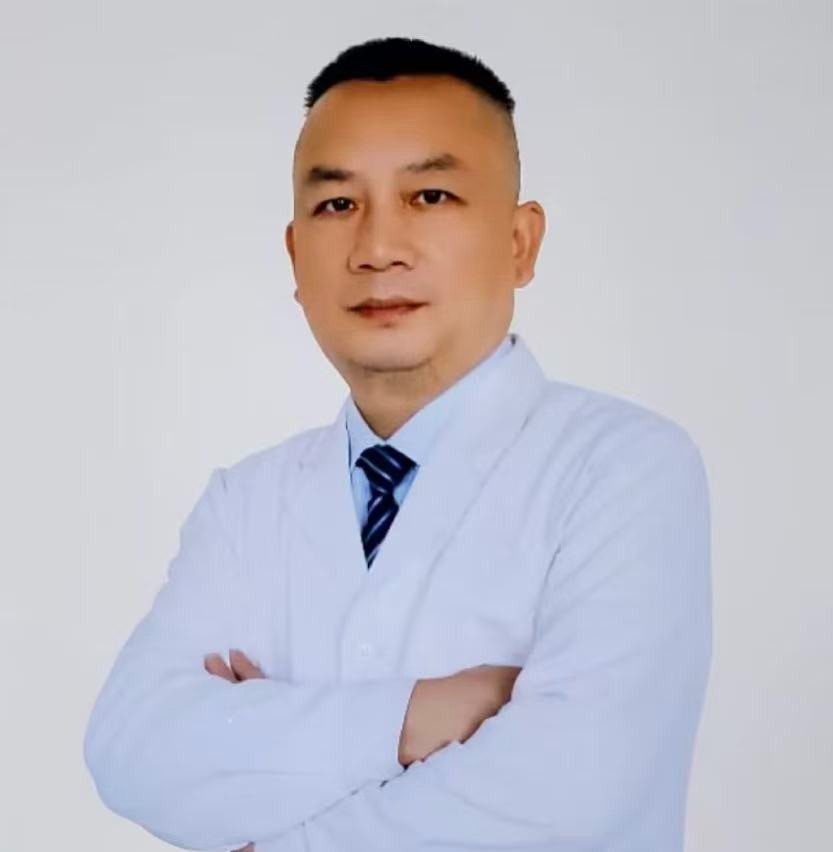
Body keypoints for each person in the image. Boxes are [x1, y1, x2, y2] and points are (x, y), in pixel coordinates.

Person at [83, 36, 712, 852]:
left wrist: (261, 771)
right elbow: (132, 753)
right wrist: (418, 717)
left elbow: (569, 787)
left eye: (430, 195)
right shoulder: (246, 502)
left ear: (519, 243)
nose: (377, 249)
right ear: (294, 254)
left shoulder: (622, 469)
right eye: (336, 205)